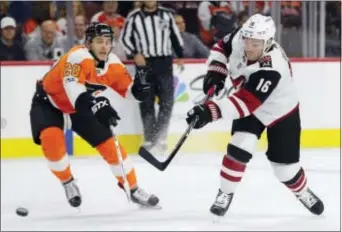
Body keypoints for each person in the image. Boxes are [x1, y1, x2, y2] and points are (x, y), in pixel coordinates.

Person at [185, 14, 324, 217]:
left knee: (285, 170)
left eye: (256, 43)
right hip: (251, 106)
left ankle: (302, 192)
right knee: (239, 148)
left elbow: (245, 103)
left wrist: (208, 112)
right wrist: (216, 70)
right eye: (247, 40)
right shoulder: (241, 36)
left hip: (281, 112)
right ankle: (225, 193)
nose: (249, 46)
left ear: (267, 43)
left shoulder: (273, 67)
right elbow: (220, 49)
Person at [29, 22, 159, 208]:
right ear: (89, 43)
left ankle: (134, 189)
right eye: (99, 41)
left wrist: (139, 91)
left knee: (112, 148)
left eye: (108, 41)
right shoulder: (76, 57)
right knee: (52, 142)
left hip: (81, 106)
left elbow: (128, 90)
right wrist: (98, 104)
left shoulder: (113, 63)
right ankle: (68, 182)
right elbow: (74, 89)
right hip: (49, 103)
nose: (104, 46)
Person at [120, 0, 184, 153]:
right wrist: (135, 54)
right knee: (146, 102)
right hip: (144, 65)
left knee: (167, 102)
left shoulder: (167, 15)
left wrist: (180, 55)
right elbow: (124, 39)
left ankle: (161, 137)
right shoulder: (134, 17)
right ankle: (150, 139)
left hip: (164, 63)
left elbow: (175, 37)